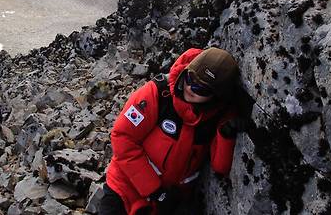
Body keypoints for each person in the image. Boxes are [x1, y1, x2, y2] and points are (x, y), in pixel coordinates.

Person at [100, 47, 251, 215]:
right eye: (190, 78)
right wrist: (155, 191)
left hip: (167, 201)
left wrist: (226, 135)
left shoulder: (217, 116)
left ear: (216, 96)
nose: (191, 88)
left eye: (202, 89)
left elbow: (220, 167)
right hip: (124, 189)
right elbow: (122, 137)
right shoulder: (157, 94)